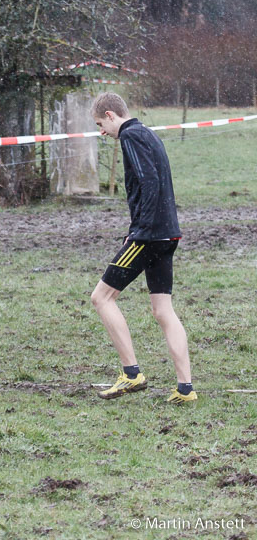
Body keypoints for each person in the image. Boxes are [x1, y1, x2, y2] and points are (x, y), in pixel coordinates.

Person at [89, 92, 196, 404]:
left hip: (149, 236)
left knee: (101, 298)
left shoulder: (130, 136)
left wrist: (138, 231)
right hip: (168, 234)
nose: (101, 132)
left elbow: (149, 183)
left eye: (100, 124)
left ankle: (131, 373)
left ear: (111, 115)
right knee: (163, 310)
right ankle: (185, 389)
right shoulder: (148, 133)